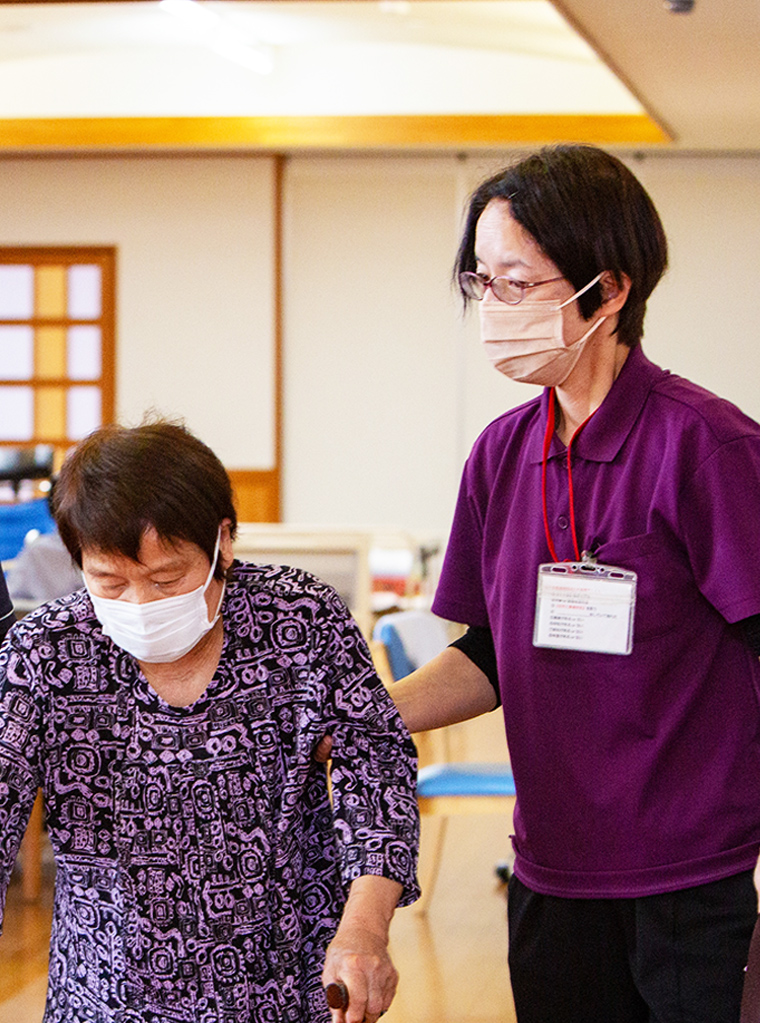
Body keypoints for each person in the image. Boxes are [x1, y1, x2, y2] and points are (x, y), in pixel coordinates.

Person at [389, 144, 760, 1022]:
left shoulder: (705, 446)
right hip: (551, 869)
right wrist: (359, 716)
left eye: (519, 283)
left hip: (688, 876)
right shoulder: (501, 454)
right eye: (482, 284)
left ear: (613, 287)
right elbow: (488, 655)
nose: (494, 307)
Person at [0, 421, 419, 1023]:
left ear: (222, 540)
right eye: (110, 581)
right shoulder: (48, 650)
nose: (140, 604)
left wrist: (364, 929)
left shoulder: (301, 621)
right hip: (108, 984)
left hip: (287, 976)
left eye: (167, 579)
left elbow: (376, 768)